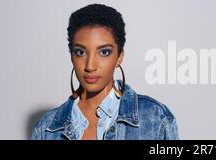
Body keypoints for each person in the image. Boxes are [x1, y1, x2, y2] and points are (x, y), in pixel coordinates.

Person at [30, 4, 179, 140]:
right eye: (80, 52)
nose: (90, 65)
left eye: (104, 52)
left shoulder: (156, 118)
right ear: (72, 56)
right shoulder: (46, 128)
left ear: (119, 57)